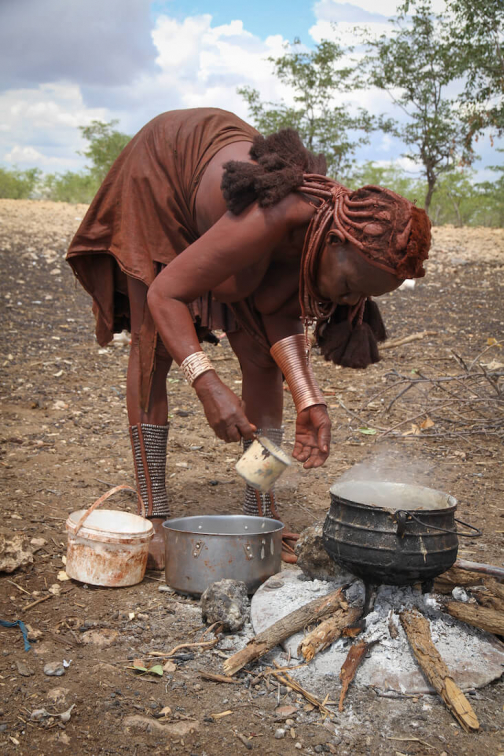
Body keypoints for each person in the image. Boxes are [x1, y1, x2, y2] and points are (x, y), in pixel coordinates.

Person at [67, 107, 431, 569]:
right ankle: (154, 513)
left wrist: (310, 399)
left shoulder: (320, 237)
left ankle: (258, 508)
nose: (348, 303)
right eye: (348, 288)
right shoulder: (270, 215)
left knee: (262, 362)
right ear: (336, 242)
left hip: (227, 207)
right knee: (153, 346)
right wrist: (207, 383)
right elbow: (165, 294)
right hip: (163, 172)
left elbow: (278, 324)